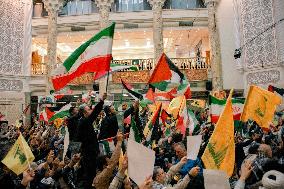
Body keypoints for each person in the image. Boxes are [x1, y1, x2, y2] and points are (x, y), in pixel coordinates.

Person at [77, 93, 107, 189]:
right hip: (88, 154)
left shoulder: (84, 121)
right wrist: (101, 101)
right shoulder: (84, 122)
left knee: (90, 174)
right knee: (89, 176)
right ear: (84, 113)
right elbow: (95, 114)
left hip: (90, 153)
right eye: (88, 109)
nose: (91, 110)